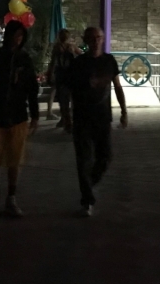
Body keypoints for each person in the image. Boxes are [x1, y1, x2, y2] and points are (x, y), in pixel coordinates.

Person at [0, 20, 39, 217]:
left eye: (21, 36)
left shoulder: (24, 59)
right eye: (15, 35)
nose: (17, 39)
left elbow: (32, 89)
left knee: (15, 158)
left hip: (18, 115)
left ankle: (11, 197)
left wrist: (35, 114)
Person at [63, 26, 128, 217]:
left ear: (103, 38)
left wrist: (124, 110)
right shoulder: (78, 63)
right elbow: (67, 91)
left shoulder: (109, 61)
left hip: (102, 117)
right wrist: (66, 115)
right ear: (85, 40)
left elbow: (117, 86)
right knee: (84, 159)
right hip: (82, 118)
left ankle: (88, 185)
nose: (95, 41)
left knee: (105, 157)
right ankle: (87, 200)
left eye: (99, 37)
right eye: (91, 38)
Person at [47, 29, 78, 128]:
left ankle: (66, 118)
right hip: (65, 74)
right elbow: (53, 62)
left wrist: (50, 73)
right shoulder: (64, 47)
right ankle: (66, 118)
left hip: (66, 73)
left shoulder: (66, 47)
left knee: (65, 97)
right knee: (64, 97)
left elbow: (53, 62)